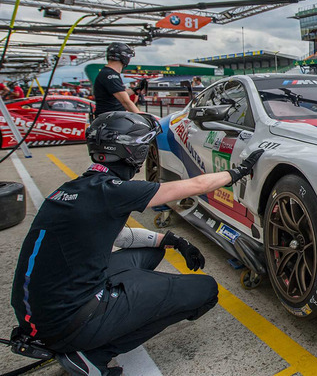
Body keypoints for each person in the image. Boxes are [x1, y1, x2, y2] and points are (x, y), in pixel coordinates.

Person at [10, 111, 264, 376]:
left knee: (150, 252)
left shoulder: (74, 189)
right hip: (71, 321)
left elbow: (117, 237)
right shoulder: (116, 191)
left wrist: (173, 241)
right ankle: (93, 355)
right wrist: (239, 172)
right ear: (134, 152)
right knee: (206, 289)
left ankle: (115, 307)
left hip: (41, 313)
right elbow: (196, 185)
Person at [93, 43, 141, 116]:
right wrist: (142, 116)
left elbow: (119, 93)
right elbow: (125, 101)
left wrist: (135, 90)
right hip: (111, 121)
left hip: (107, 119)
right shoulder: (111, 75)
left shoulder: (107, 73)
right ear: (124, 57)